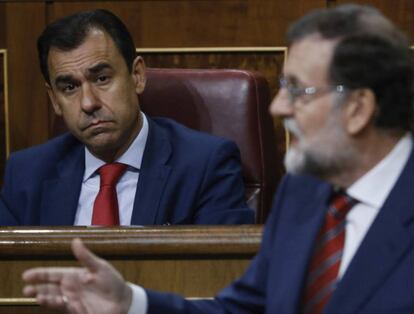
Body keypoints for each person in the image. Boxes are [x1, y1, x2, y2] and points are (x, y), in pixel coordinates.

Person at [22, 4, 414, 313]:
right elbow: (241, 308)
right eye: (282, 87)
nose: (278, 107)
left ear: (358, 108)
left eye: (298, 91)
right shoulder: (304, 193)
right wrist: (130, 303)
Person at [0, 9, 254, 226]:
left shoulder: (204, 166)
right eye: (69, 87)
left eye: (102, 78)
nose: (88, 103)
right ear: (54, 99)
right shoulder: (26, 175)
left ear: (137, 76)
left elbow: (220, 274)